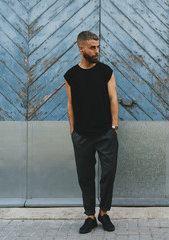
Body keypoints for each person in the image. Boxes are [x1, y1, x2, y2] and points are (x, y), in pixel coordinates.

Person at [64, 31, 119, 234]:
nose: (97, 51)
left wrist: (114, 127)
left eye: (98, 47)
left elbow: (113, 98)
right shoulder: (71, 75)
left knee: (108, 173)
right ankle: (89, 216)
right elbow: (70, 104)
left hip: (106, 133)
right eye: (92, 47)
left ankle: (104, 213)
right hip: (82, 135)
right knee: (85, 177)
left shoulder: (106, 71)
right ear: (81, 49)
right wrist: (73, 132)